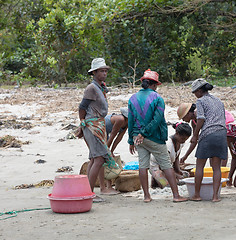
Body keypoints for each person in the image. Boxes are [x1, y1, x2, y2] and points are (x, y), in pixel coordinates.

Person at [128, 69, 187, 203]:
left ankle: (146, 196)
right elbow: (157, 119)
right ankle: (176, 195)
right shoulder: (157, 99)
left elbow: (130, 121)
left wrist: (131, 139)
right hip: (154, 137)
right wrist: (144, 133)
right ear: (154, 85)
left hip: (138, 137)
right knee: (166, 165)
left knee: (143, 166)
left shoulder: (133, 98)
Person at [76, 58, 119, 200]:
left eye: (106, 71)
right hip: (92, 125)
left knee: (94, 158)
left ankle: (86, 191)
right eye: (101, 71)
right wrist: (82, 122)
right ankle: (89, 193)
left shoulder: (100, 87)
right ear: (94, 72)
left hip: (98, 125)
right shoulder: (91, 88)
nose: (104, 73)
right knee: (99, 158)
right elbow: (82, 107)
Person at [189, 78, 228, 202]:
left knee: (200, 165)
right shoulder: (218, 101)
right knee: (216, 167)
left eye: (195, 92)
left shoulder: (200, 101)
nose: (195, 94)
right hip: (221, 134)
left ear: (200, 91)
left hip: (208, 134)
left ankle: (196, 194)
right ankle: (215, 196)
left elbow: (201, 119)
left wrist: (195, 135)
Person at [149, 122, 192, 188]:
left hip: (168, 167)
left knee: (186, 175)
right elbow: (163, 166)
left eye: (186, 139)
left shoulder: (180, 143)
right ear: (177, 133)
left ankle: (161, 179)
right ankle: (156, 178)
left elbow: (176, 157)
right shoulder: (168, 145)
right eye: (183, 139)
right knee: (167, 185)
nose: (184, 141)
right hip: (157, 167)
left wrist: (178, 170)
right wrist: (176, 175)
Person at [98, 107, 128, 195]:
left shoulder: (127, 124)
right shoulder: (120, 119)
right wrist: (107, 150)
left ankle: (108, 186)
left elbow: (119, 138)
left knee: (106, 158)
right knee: (102, 159)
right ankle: (104, 187)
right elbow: (113, 135)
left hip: (106, 133)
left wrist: (112, 150)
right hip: (101, 131)